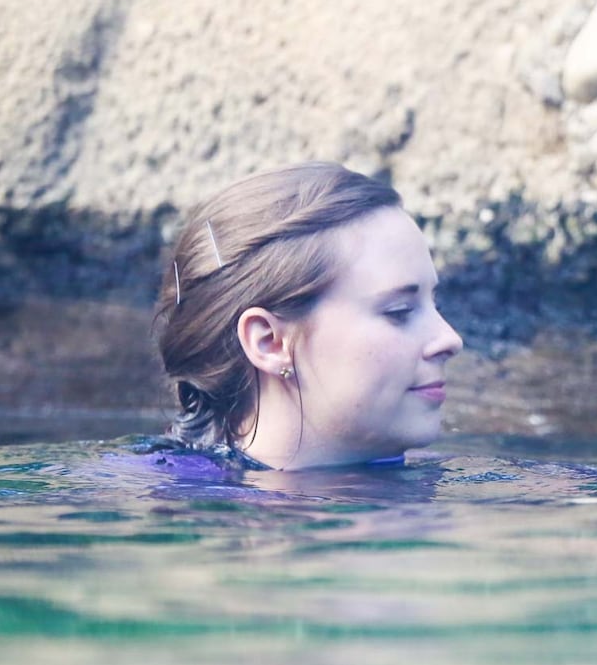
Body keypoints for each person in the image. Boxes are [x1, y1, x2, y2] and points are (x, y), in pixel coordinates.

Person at [152, 162, 464, 470]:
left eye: (435, 304)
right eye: (400, 312)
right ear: (269, 342)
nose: (450, 339)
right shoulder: (182, 507)